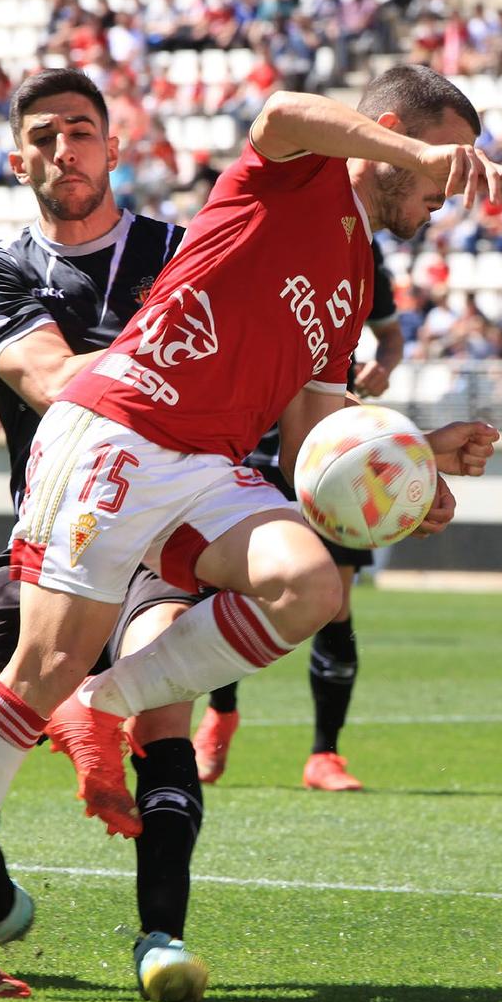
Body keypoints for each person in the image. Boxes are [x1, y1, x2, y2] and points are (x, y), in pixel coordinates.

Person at [0, 65, 502, 998]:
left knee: (311, 583)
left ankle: (103, 704)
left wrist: (413, 468)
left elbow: (311, 450)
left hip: (203, 466)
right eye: (436, 171)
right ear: (386, 136)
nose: (439, 191)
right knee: (38, 674)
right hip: (119, 432)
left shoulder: (352, 277)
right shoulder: (294, 171)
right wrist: (417, 147)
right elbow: (282, 110)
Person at [0, 68, 214, 1002]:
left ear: (115, 145)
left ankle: (160, 936)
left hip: (160, 536)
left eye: (84, 130)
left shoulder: (187, 251)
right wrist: (183, 362)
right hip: (44, 538)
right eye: (48, 135)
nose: (68, 149)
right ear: (18, 157)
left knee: (157, 711)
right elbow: (55, 378)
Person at [194, 256, 405, 792]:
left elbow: (390, 332)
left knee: (337, 600)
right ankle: (220, 713)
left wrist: (386, 361)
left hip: (334, 443)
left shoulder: (362, 254)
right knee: (233, 587)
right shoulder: (263, 238)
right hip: (250, 433)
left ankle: (325, 756)